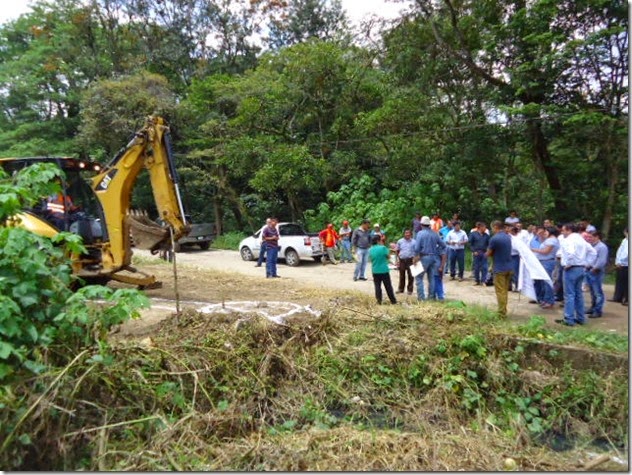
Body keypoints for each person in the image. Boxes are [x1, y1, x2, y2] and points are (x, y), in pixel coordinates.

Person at [557, 222, 597, 326]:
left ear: (569, 230)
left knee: (569, 295)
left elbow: (571, 253)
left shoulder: (568, 240)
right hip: (581, 268)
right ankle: (580, 318)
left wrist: (568, 264)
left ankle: (569, 318)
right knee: (578, 294)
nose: (562, 232)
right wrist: (587, 263)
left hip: (571, 269)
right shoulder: (581, 240)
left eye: (563, 230)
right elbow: (593, 252)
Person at [413, 216, 447, 301]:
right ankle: (431, 297)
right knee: (432, 278)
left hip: (423, 256)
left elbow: (417, 248)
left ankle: (421, 298)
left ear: (421, 224)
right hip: (434, 257)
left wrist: (415, 257)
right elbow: (443, 245)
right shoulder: (435, 233)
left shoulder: (420, 233)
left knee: (418, 277)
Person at [486, 220, 514, 319]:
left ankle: (501, 313)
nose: (492, 230)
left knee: (500, 291)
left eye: (492, 228)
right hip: (509, 267)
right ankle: (504, 309)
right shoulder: (508, 237)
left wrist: (483, 254)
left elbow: (488, 253)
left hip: (499, 269)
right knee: (505, 291)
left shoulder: (494, 239)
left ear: (495, 227)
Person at [531, 226, 559, 309]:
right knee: (544, 283)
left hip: (547, 262)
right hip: (545, 262)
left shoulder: (552, 240)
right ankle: (546, 299)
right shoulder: (549, 240)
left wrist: (534, 250)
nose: (545, 233)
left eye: (546, 231)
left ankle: (549, 301)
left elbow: (546, 251)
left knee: (547, 283)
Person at [585, 230, 608, 319]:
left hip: (596, 271)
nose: (589, 239)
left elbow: (602, 260)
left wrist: (595, 268)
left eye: (591, 237)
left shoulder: (602, 247)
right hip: (589, 270)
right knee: (592, 291)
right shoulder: (591, 246)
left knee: (597, 292)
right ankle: (593, 307)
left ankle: (598, 310)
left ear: (597, 237)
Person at [369, 235, 397, 305]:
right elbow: (388, 256)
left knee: (377, 286)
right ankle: (393, 301)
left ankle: (379, 301)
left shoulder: (370, 249)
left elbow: (371, 259)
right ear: (378, 241)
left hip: (375, 270)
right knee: (388, 286)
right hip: (384, 270)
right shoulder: (383, 248)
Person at [610, 227, 628, 306]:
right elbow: (619, 251)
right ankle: (618, 297)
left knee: (626, 282)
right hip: (621, 264)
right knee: (619, 281)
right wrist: (618, 261)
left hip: (626, 264)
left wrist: (621, 261)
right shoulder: (624, 240)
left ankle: (627, 298)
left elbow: (627, 253)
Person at [395, 229, 416, 295]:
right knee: (402, 275)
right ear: (404, 234)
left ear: (411, 234)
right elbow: (397, 250)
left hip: (410, 260)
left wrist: (415, 260)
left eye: (408, 233)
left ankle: (410, 290)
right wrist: (397, 260)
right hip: (402, 260)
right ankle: (401, 289)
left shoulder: (414, 242)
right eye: (406, 233)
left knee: (411, 275)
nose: (407, 234)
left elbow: (416, 251)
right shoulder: (400, 241)